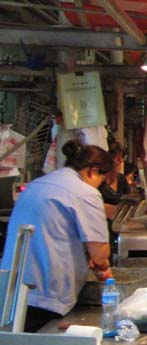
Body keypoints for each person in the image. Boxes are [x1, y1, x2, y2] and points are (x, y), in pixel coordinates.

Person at [1, 141, 112, 332]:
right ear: (93, 170)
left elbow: (55, 230)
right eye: (102, 179)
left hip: (11, 287)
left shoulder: (38, 184)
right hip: (46, 292)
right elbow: (99, 253)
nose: (100, 186)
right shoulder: (85, 192)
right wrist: (103, 266)